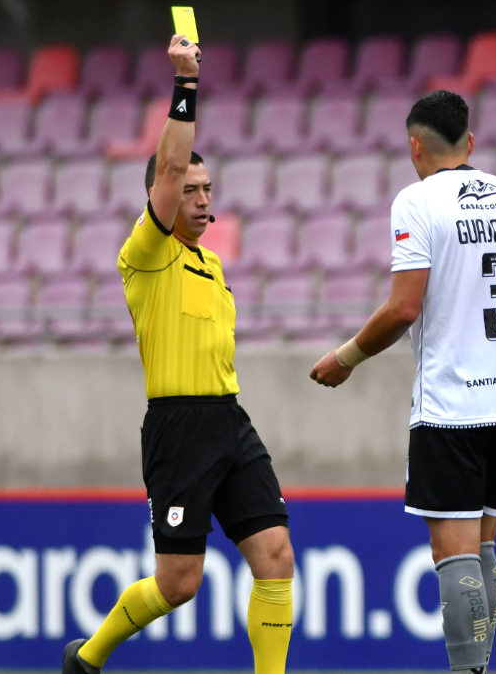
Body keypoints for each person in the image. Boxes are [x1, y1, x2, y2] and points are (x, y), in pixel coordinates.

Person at [310, 90, 496, 673]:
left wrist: (346, 358)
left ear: (414, 147)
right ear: (469, 142)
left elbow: (404, 308)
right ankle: (481, 667)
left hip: (452, 406)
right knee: (483, 549)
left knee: (453, 555)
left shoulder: (417, 201)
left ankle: (467, 671)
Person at [61, 35, 294, 674]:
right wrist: (186, 84)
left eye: (207, 189)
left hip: (229, 420)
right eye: (189, 189)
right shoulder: (146, 254)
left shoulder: (213, 265)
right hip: (179, 429)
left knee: (276, 555)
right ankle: (87, 658)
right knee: (179, 582)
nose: (201, 199)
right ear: (162, 197)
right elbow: (167, 168)